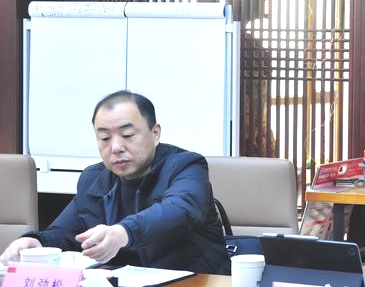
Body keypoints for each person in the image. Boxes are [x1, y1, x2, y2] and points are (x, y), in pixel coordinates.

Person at [1, 91, 229, 274]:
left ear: (155, 133)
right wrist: (36, 241)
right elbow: (67, 232)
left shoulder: (186, 166)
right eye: (104, 138)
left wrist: (123, 232)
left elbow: (181, 209)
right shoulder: (93, 178)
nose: (116, 147)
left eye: (128, 135)